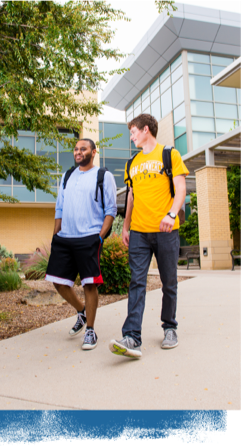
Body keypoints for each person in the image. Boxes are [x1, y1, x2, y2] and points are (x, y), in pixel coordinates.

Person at [109, 114, 189, 359]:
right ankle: (132, 336)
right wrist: (125, 226)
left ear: (146, 129)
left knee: (169, 282)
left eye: (133, 131)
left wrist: (172, 214)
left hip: (166, 230)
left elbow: (181, 188)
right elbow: (131, 196)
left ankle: (170, 328)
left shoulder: (169, 154)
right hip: (140, 233)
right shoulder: (132, 162)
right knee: (137, 283)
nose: (131, 136)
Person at [45, 138, 117, 350]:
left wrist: (100, 237)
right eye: (76, 149)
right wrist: (55, 235)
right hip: (65, 237)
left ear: (93, 152)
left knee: (89, 283)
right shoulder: (67, 176)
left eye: (83, 149)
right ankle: (82, 311)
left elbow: (111, 211)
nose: (78, 152)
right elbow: (59, 207)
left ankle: (90, 331)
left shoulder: (104, 176)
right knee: (58, 282)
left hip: (89, 236)